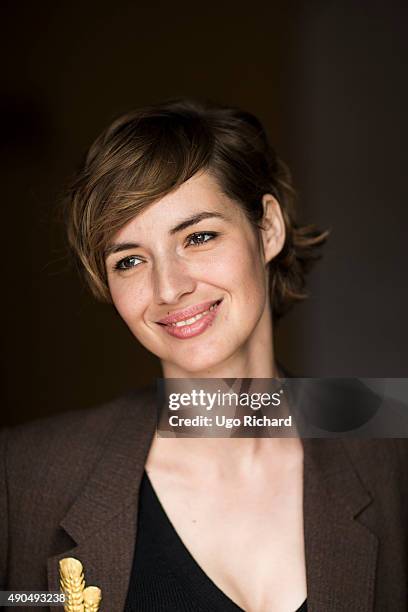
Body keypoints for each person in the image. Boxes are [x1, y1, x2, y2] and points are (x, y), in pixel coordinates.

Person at [1, 99, 407, 612]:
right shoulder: (24, 475)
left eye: (198, 236)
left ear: (268, 229)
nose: (169, 288)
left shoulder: (392, 444)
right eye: (129, 260)